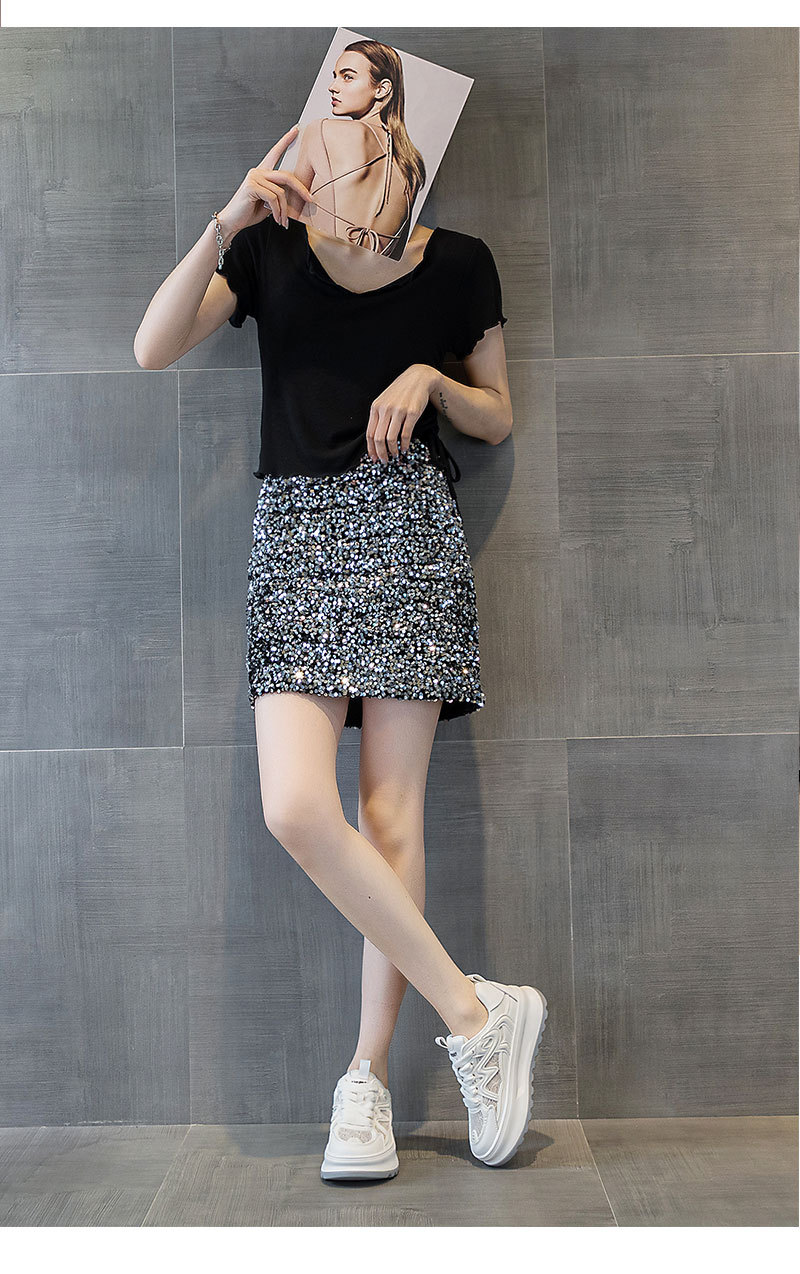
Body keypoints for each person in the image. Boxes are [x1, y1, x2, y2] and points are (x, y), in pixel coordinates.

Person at [133, 122, 548, 1181]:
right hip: (295, 533)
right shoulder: (267, 249)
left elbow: (497, 415)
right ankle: (476, 1012)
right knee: (295, 805)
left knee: (389, 814)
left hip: (406, 525)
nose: (343, 113)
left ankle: (365, 1081)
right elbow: (151, 346)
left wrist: (430, 380)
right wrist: (226, 219)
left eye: (363, 92)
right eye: (333, 93)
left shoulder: (458, 261)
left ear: (397, 117)